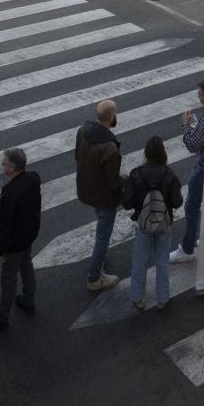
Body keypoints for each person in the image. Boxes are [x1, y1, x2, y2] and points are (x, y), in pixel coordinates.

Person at [0, 147, 42, 339]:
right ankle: (28, 300)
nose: (1, 165)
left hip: (14, 243)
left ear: (12, 168)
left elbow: (5, 228)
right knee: (26, 264)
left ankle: (1, 319)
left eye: (4, 163)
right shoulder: (33, 178)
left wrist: (1, 251)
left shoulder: (9, 194)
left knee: (8, 279)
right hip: (29, 235)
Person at [122, 135, 185, 311]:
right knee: (162, 262)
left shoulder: (136, 174)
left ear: (146, 154)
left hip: (142, 225)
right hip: (164, 225)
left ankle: (138, 297)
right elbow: (178, 202)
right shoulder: (170, 175)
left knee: (140, 261)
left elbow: (127, 203)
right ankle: (162, 298)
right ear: (163, 154)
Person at [74, 101, 124, 292]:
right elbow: (113, 184)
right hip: (103, 198)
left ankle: (100, 258)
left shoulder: (83, 130)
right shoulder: (110, 148)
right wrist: (125, 181)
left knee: (101, 226)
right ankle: (94, 277)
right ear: (112, 117)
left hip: (86, 189)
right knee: (103, 235)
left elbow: (78, 156)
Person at [175, 80, 204, 263]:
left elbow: (192, 144)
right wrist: (196, 128)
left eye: (200, 94)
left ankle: (187, 248)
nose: (199, 97)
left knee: (192, 207)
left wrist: (185, 126)